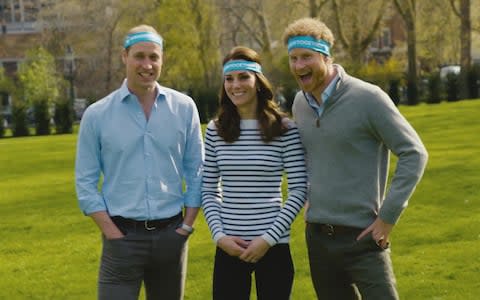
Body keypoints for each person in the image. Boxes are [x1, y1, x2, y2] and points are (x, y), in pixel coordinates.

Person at [282, 18, 428, 299]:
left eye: (307, 57)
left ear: (325, 56)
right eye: (293, 58)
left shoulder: (368, 98)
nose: (299, 66)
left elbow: (414, 153)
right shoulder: (300, 103)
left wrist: (388, 216)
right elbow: (310, 155)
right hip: (318, 237)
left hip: (364, 236)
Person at [75, 24, 204, 300]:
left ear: (162, 59)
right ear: (124, 57)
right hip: (122, 238)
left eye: (153, 57)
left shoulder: (184, 108)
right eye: (139, 56)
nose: (147, 65)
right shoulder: (96, 115)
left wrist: (186, 227)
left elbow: (197, 171)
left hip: (172, 236)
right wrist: (112, 233)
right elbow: (85, 183)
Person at [201, 46, 308, 300]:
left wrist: (268, 239)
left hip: (273, 246)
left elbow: (298, 190)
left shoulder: (285, 129)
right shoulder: (216, 130)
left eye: (243, 77)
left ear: (258, 82)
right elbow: (208, 189)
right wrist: (220, 236)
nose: (235, 85)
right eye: (229, 79)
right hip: (229, 246)